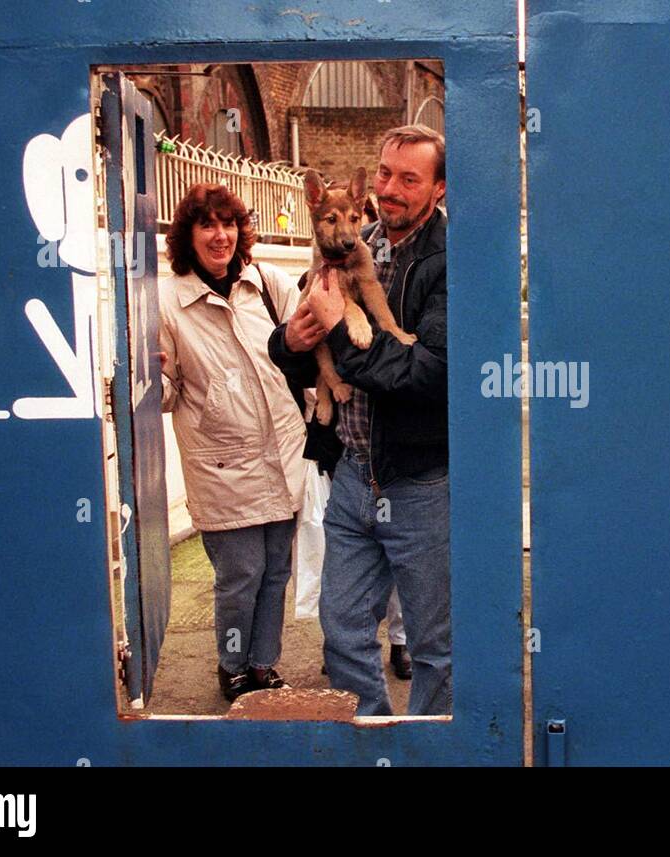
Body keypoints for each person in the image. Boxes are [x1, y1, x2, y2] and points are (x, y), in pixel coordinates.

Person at [269, 125, 448, 716]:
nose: (390, 189)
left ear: (438, 188)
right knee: (343, 634)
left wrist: (346, 339)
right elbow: (298, 337)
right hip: (351, 474)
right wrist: (290, 341)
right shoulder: (357, 242)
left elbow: (426, 372)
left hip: (420, 480)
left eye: (409, 179)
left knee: (433, 645)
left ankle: (431, 752)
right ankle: (374, 743)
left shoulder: (452, 262)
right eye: (385, 174)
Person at [158, 183, 308, 702]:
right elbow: (163, 393)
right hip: (222, 464)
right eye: (207, 225)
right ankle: (232, 664)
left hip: (284, 452)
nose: (220, 235)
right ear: (189, 235)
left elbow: (307, 345)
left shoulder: (267, 283)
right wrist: (148, 377)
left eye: (228, 223)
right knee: (239, 575)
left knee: (276, 571)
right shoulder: (168, 302)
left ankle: (264, 664)